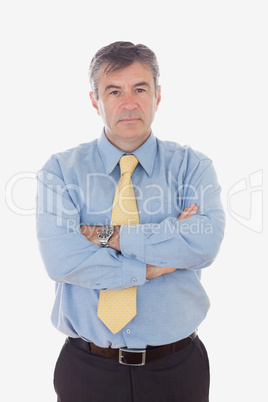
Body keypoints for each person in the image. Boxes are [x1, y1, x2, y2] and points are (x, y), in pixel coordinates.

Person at [36, 41, 225, 402]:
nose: (129, 103)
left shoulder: (192, 167)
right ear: (95, 100)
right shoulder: (60, 171)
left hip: (178, 369)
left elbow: (204, 242)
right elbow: (62, 259)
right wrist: (157, 262)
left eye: (140, 88)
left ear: (158, 95)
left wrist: (105, 235)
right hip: (86, 370)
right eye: (114, 90)